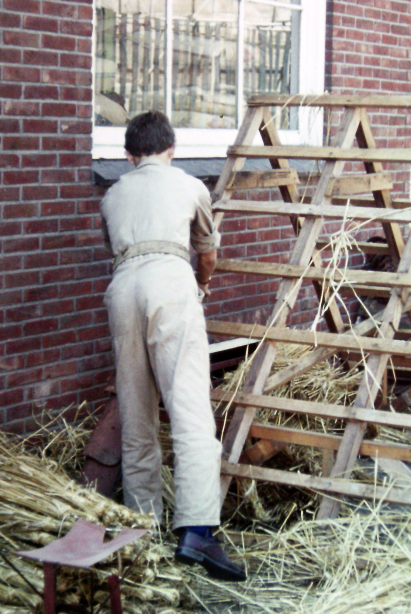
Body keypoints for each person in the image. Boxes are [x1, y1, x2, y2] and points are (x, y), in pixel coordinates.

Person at [101, 111, 245, 582]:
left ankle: (144, 525)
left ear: (128, 156)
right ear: (171, 149)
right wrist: (201, 285)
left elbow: (118, 249)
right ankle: (197, 532)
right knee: (189, 408)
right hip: (170, 280)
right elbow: (207, 251)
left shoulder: (112, 194)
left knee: (135, 410)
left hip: (123, 290)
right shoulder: (190, 185)